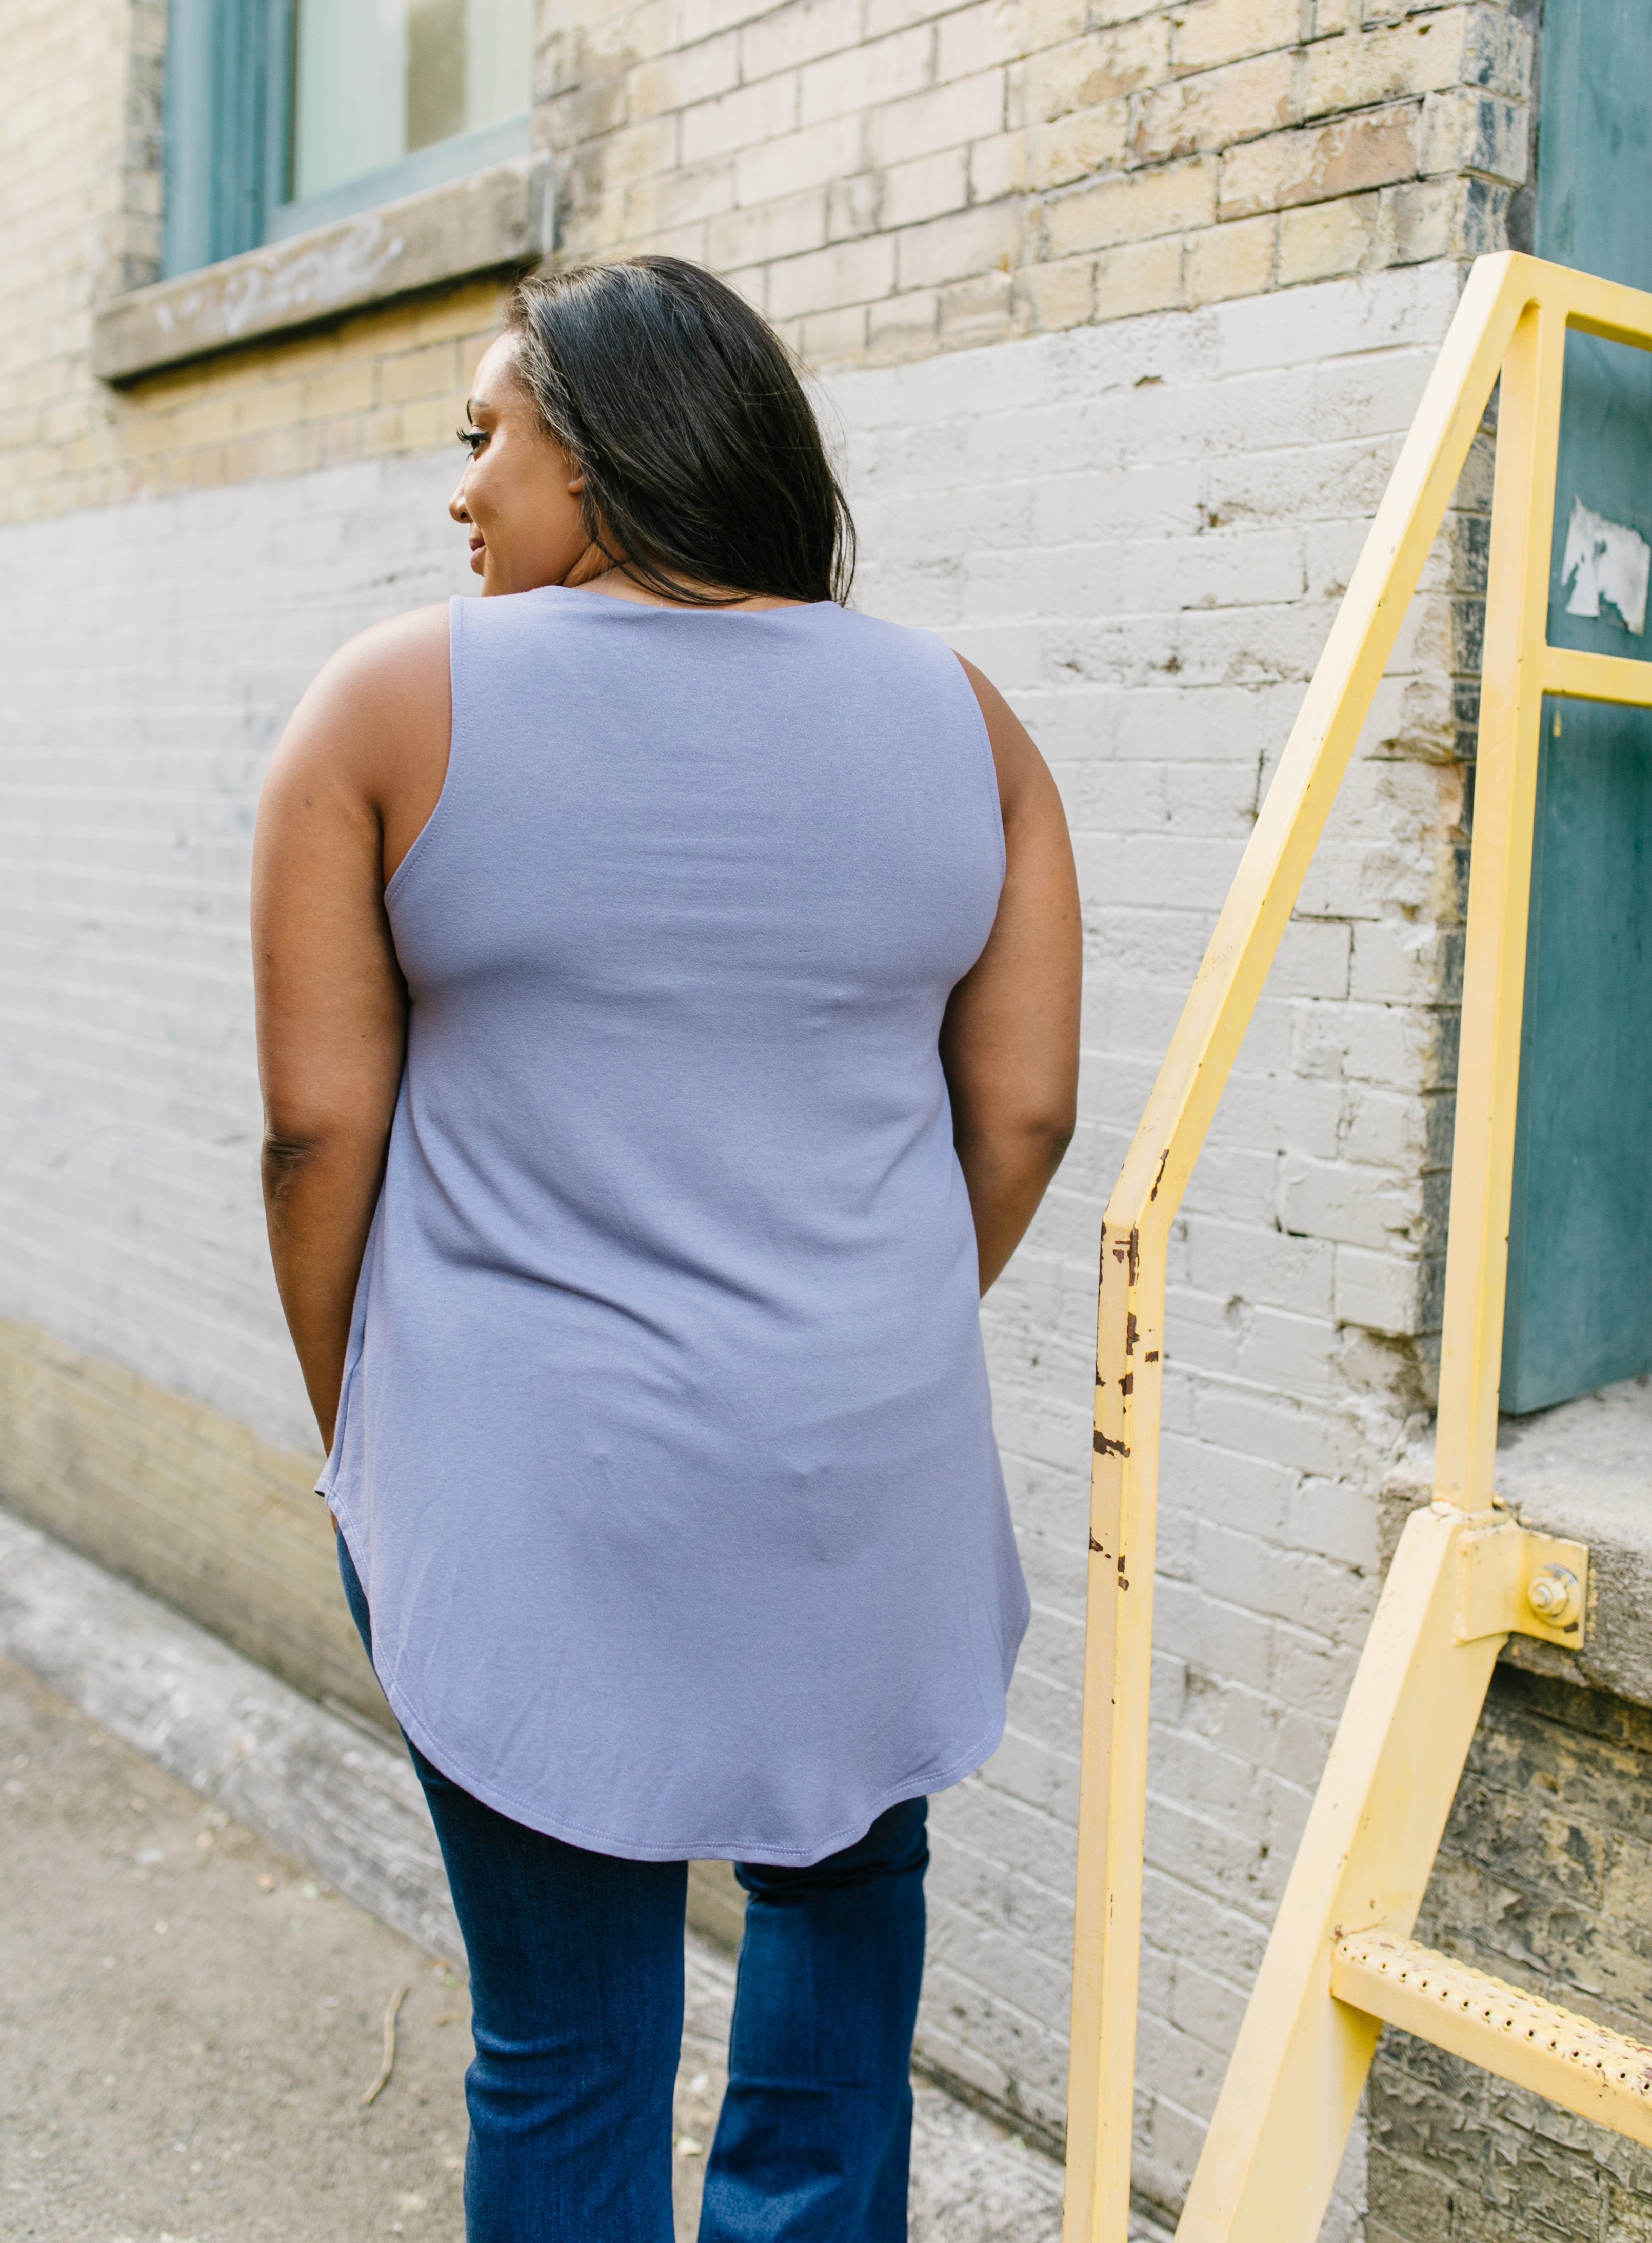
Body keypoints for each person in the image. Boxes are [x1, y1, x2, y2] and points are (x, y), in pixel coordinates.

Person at [251, 254, 1082, 2242]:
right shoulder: (970, 723)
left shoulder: (388, 707)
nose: (461, 489)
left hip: (523, 1479)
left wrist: (361, 1428)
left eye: (487, 436)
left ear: (604, 452)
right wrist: (859, 1332)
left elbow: (316, 1133)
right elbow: (1026, 1116)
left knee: (565, 2042)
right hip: (862, 1472)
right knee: (840, 1954)